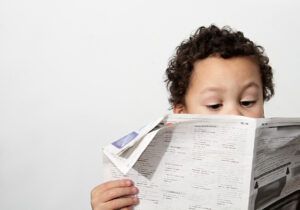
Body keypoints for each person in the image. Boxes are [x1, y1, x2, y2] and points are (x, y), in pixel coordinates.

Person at [90, 25, 275, 210]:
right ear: (181, 114)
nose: (235, 115)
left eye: (247, 102)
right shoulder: (151, 177)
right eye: (214, 105)